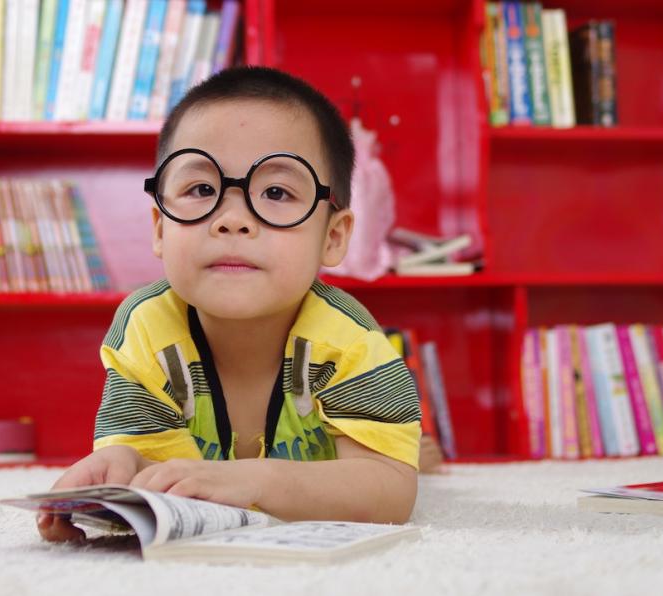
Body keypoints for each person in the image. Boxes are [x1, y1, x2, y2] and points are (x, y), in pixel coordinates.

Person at [39, 66, 421, 542]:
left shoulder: (350, 340)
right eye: (202, 190)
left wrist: (255, 479)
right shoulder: (145, 328)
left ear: (334, 236)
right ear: (160, 228)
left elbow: (391, 489)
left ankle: (422, 444)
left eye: (277, 192)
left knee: (412, 454)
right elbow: (159, 468)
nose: (233, 220)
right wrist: (127, 466)